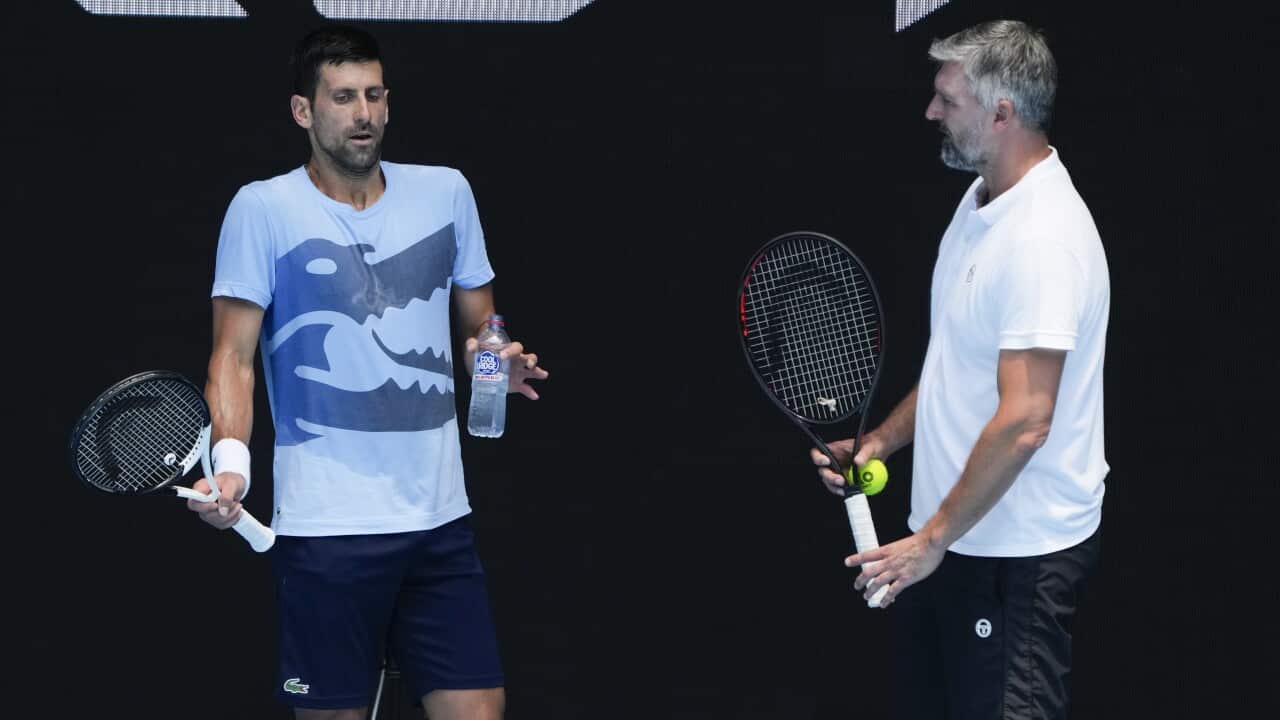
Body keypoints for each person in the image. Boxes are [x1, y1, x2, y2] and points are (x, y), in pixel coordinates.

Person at [185, 25, 547, 720]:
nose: (364, 114)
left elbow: (482, 326)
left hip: (439, 521)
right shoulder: (262, 209)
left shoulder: (446, 193)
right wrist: (233, 468)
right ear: (304, 112)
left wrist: (493, 355)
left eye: (375, 95)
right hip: (326, 530)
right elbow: (231, 359)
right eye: (344, 97)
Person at [811, 20, 1108, 720]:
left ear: (1002, 113)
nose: (930, 112)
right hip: (946, 549)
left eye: (947, 98)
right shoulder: (979, 204)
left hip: (1011, 558)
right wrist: (881, 442)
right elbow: (956, 366)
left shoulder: (1043, 238)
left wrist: (932, 540)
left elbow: (1027, 420)